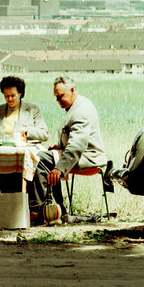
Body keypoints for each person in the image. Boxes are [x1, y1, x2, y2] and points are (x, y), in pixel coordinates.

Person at [30, 75, 107, 223]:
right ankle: (55, 209)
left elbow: (77, 145)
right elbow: (74, 137)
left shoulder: (80, 111)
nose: (58, 101)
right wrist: (59, 147)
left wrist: (60, 168)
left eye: (60, 96)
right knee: (43, 156)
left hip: (88, 158)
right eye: (56, 97)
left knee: (40, 160)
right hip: (79, 153)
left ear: (72, 90)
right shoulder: (77, 105)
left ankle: (40, 210)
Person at [0, 76, 48, 196]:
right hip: (4, 157)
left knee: (24, 188)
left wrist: (26, 131)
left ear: (20, 93)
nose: (9, 99)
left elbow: (44, 134)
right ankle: (9, 207)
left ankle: (30, 207)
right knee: (7, 191)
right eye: (6, 95)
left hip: (24, 156)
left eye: (13, 95)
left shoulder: (32, 109)